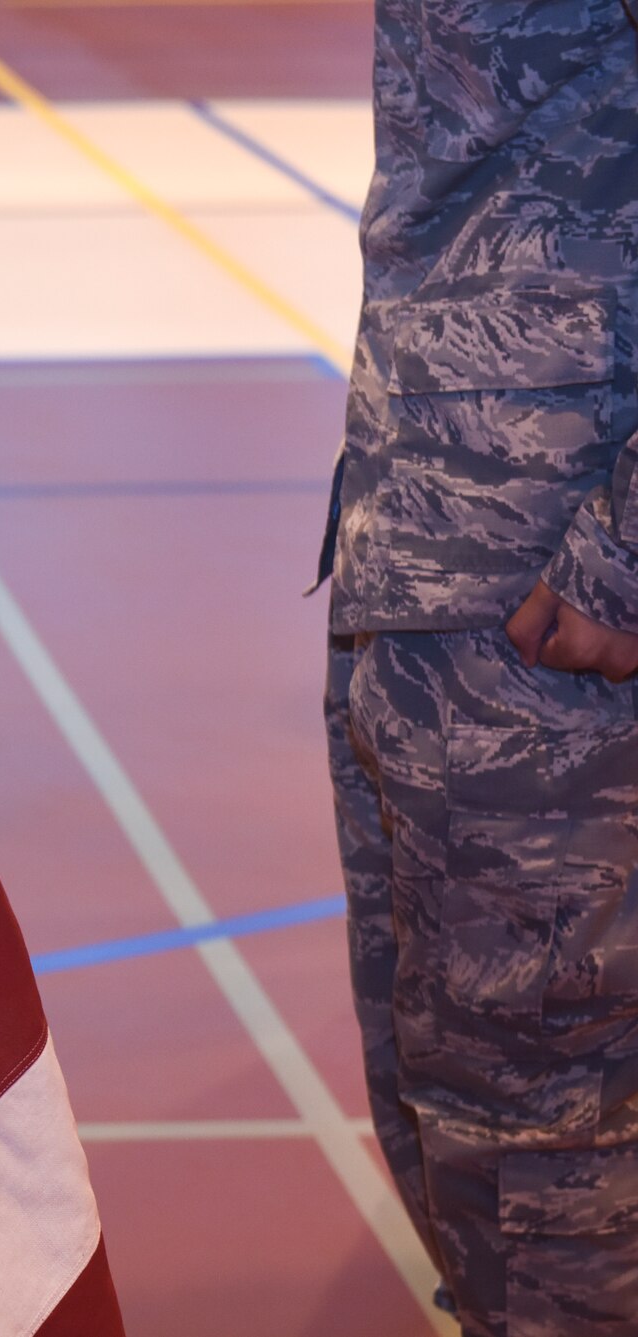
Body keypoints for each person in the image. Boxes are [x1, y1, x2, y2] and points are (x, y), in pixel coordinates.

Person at [323, 5, 638, 1333]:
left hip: (554, 581)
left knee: (559, 1146)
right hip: (430, 541)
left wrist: (625, 555)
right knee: (452, 1094)